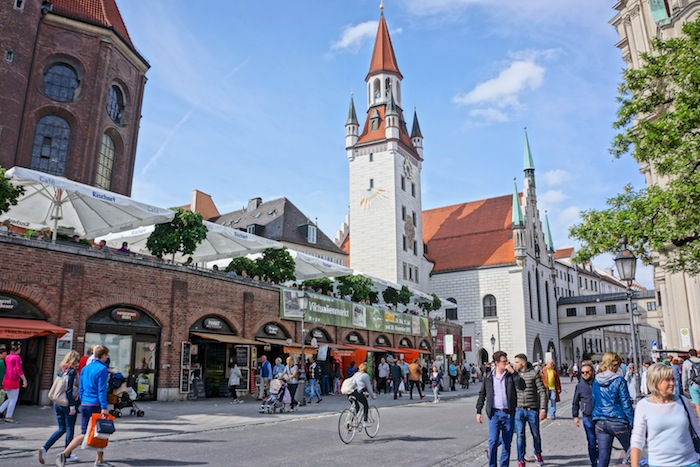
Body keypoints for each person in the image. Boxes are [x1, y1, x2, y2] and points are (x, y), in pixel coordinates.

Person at [630, 363, 700, 467]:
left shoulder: (683, 401)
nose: (672, 383)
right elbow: (637, 439)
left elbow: (697, 432)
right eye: (667, 380)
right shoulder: (643, 405)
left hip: (689, 462)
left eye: (673, 379)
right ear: (655, 382)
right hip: (659, 463)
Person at [56, 345, 111, 467]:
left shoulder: (85, 369)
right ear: (102, 355)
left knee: (87, 432)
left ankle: (65, 454)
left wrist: (82, 400)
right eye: (106, 355)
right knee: (101, 431)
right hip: (96, 403)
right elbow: (101, 390)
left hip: (86, 402)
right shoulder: (102, 369)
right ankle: (98, 461)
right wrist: (104, 407)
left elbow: (81, 387)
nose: (107, 357)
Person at [476, 351, 524, 467]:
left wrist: (514, 373)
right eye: (504, 361)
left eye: (507, 361)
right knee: (493, 441)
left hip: (508, 414)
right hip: (494, 413)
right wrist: (479, 411)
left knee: (507, 444)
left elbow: (522, 386)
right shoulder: (488, 377)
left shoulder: (510, 375)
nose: (507, 363)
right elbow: (482, 394)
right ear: (497, 363)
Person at [592, 352, 634, 467]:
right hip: (618, 421)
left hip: (600, 422)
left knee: (603, 458)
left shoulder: (596, 380)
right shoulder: (619, 380)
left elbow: (594, 401)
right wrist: (633, 422)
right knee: (634, 453)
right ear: (615, 365)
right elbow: (626, 404)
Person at [38, 350, 81, 464]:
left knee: (61, 428)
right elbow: (69, 389)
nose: (78, 363)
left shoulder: (62, 370)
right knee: (70, 429)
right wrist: (72, 406)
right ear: (73, 360)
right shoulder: (71, 372)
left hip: (58, 403)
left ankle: (45, 448)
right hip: (67, 404)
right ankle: (67, 454)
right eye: (77, 360)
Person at [513, 353, 546, 467]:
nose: (515, 364)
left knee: (535, 434)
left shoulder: (534, 373)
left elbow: (542, 391)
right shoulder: (514, 375)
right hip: (519, 409)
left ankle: (538, 453)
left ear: (523, 362)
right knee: (520, 435)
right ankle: (520, 459)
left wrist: (542, 408)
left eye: (517, 362)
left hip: (532, 409)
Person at [572, 363, 597, 467]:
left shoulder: (598, 383)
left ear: (592, 372)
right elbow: (575, 402)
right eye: (583, 373)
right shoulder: (580, 386)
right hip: (587, 417)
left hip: (600, 417)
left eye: (587, 372)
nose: (585, 374)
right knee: (591, 442)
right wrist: (575, 416)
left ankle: (602, 460)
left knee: (601, 442)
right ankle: (594, 462)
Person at [0, 341, 27, 424]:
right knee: (13, 399)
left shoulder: (7, 357)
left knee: (10, 398)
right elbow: (19, 369)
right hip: (14, 379)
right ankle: (8, 417)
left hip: (6, 379)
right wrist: (24, 379)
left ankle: (1, 411)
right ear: (18, 349)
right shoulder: (17, 358)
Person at [682, 348, 700, 419]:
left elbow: (684, 375)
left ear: (689, 354)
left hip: (693, 384)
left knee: (697, 404)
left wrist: (684, 386)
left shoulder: (686, 362)